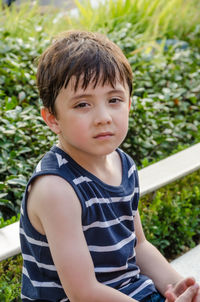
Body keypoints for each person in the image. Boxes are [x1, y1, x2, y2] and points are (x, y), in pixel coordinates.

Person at [19, 30, 199, 302]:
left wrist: (180, 287)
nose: (103, 117)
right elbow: (83, 293)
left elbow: (139, 245)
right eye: (82, 104)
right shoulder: (55, 188)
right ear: (52, 118)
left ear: (128, 104)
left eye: (114, 100)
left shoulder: (123, 163)